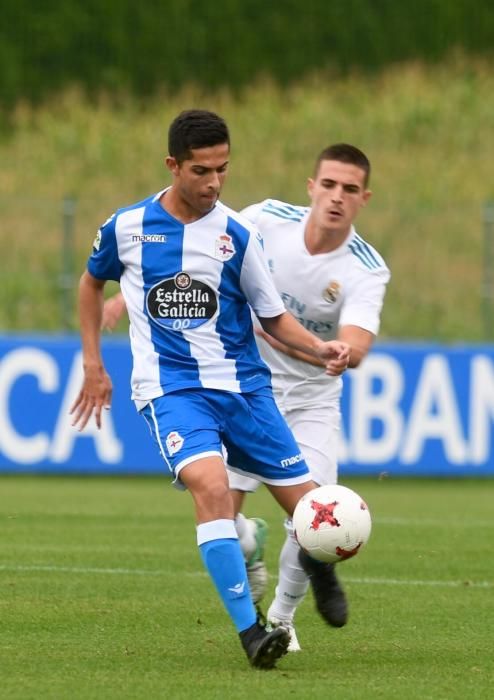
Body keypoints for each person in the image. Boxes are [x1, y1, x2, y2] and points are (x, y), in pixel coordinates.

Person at [70, 109, 351, 670]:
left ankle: (319, 565)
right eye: (202, 171)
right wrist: (93, 364)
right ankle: (253, 633)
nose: (215, 183)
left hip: (245, 390)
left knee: (314, 514)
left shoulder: (237, 236)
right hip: (171, 390)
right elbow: (89, 281)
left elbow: (271, 317)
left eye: (223, 170)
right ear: (173, 166)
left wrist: (318, 347)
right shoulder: (127, 227)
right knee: (211, 485)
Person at [229, 143, 390, 652]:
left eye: (349, 189)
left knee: (317, 518)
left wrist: (340, 352)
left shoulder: (366, 267)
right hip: (243, 387)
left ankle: (281, 618)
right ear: (311, 187)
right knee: (220, 521)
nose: (336, 197)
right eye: (328, 185)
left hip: (310, 401)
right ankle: (250, 541)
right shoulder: (264, 219)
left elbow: (356, 345)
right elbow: (196, 246)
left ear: (364, 198)